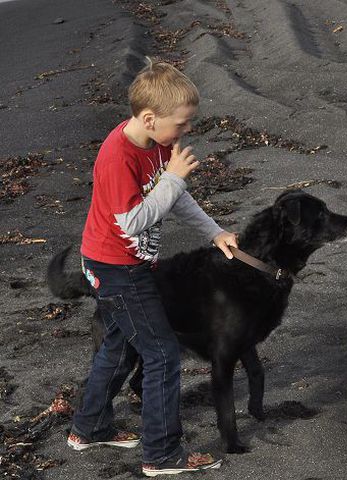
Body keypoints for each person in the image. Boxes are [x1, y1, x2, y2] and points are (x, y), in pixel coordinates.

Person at [67, 59, 237, 476]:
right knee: (162, 355)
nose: (186, 131)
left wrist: (214, 231)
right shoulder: (117, 157)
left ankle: (89, 428)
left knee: (119, 345)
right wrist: (174, 178)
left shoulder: (158, 145)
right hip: (116, 267)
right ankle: (162, 454)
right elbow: (134, 220)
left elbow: (174, 198)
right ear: (148, 118)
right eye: (182, 123)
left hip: (124, 264)